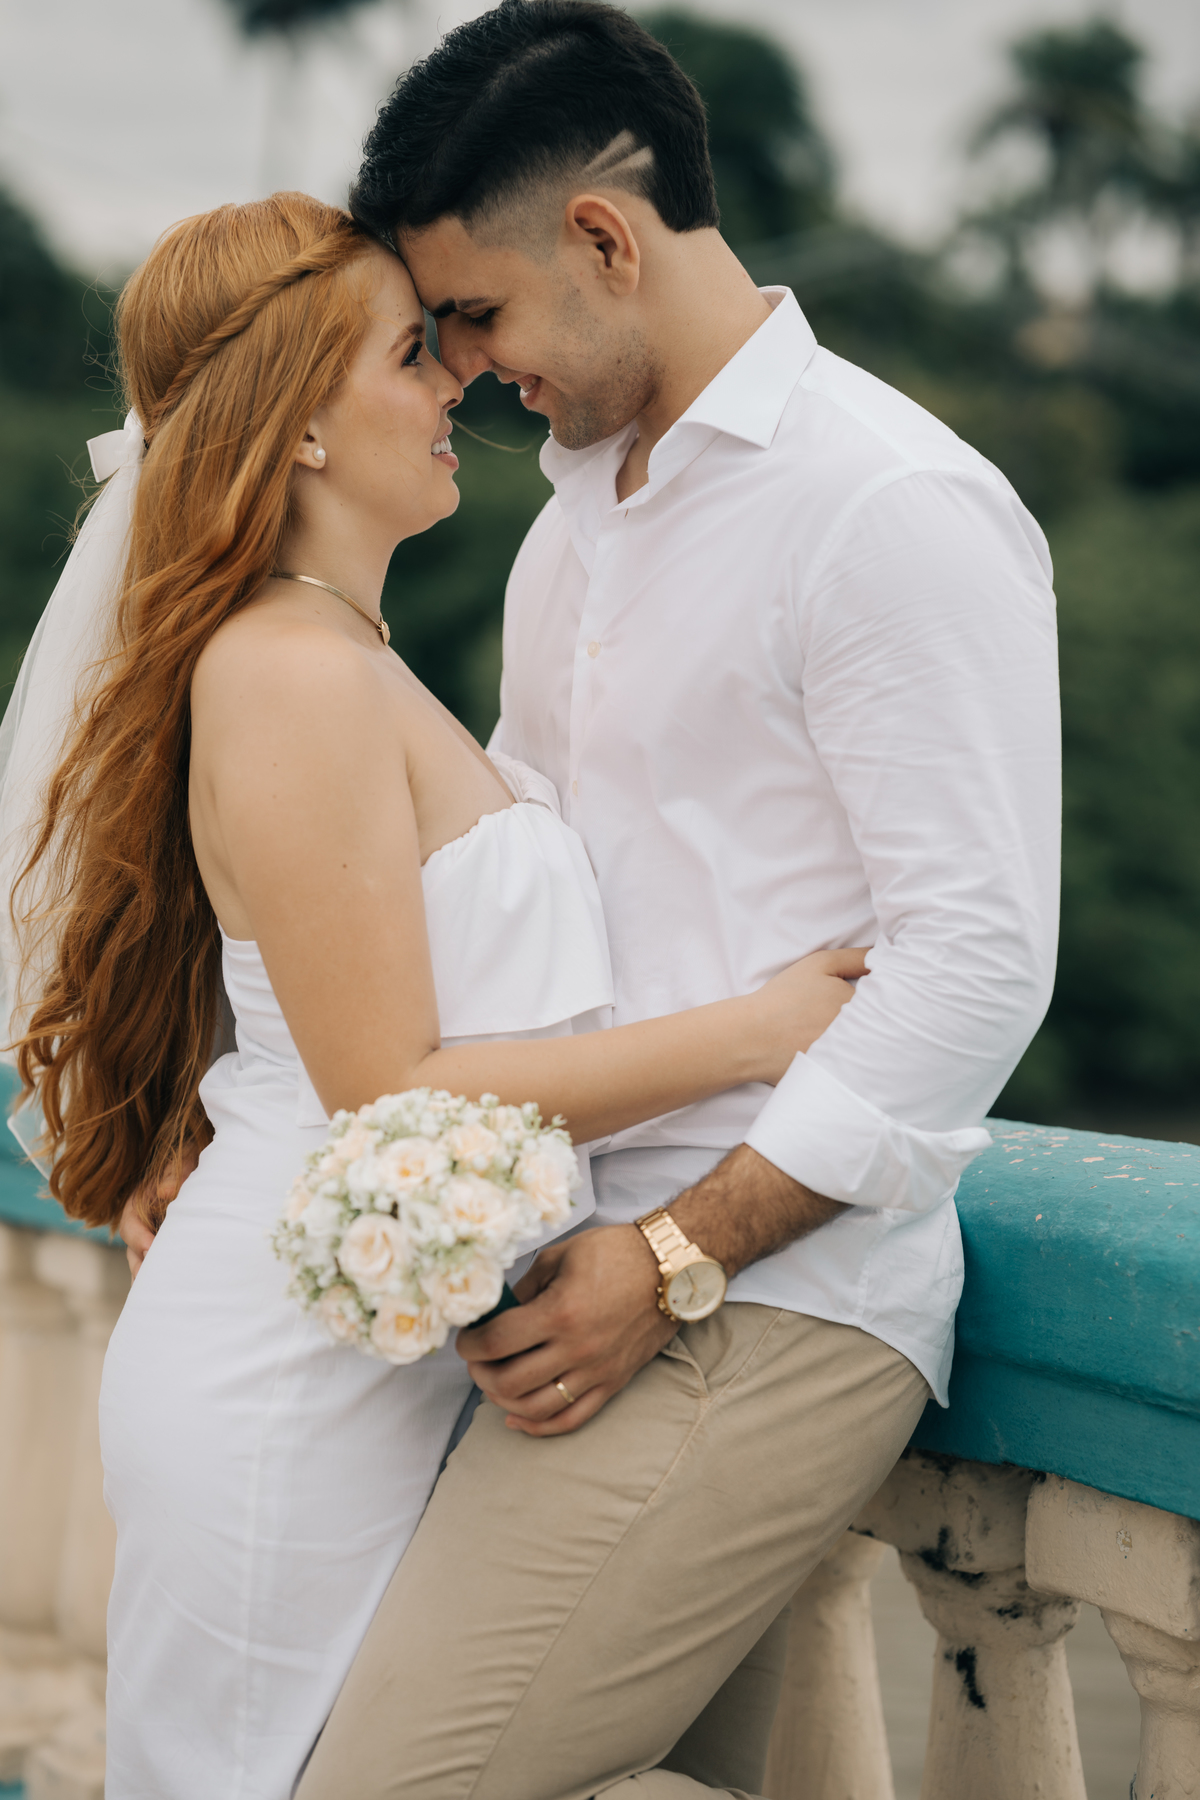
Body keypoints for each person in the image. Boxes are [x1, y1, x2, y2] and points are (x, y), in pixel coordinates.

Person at [0, 192, 863, 1799]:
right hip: (288, 1376)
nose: (455, 376)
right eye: (412, 352)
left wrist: (197, 1096)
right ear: (302, 428)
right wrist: (768, 1029)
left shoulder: (339, 656)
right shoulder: (288, 670)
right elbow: (394, 1082)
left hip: (357, 1344)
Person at [289, 4, 1061, 1798]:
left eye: (469, 312)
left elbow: (976, 959)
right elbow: (498, 888)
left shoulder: (891, 507)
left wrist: (679, 1253)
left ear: (606, 241)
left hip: (765, 1296)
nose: (463, 370)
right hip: (555, 1287)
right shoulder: (575, 533)